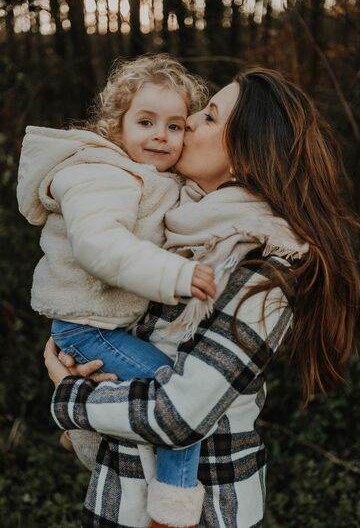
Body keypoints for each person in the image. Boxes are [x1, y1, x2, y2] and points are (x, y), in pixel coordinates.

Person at [45, 68, 359, 528]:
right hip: (121, 499)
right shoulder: (173, 226)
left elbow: (178, 415)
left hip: (205, 512)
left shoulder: (265, 266)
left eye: (209, 117)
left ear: (245, 161)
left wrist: (70, 397)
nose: (188, 121)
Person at [17, 54, 218, 527]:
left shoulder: (148, 178)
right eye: (145, 121)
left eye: (174, 126)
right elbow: (99, 245)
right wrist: (176, 275)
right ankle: (172, 507)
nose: (159, 136)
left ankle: (81, 431)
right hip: (88, 328)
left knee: (152, 399)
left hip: (104, 326)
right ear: (115, 126)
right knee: (176, 394)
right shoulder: (100, 174)